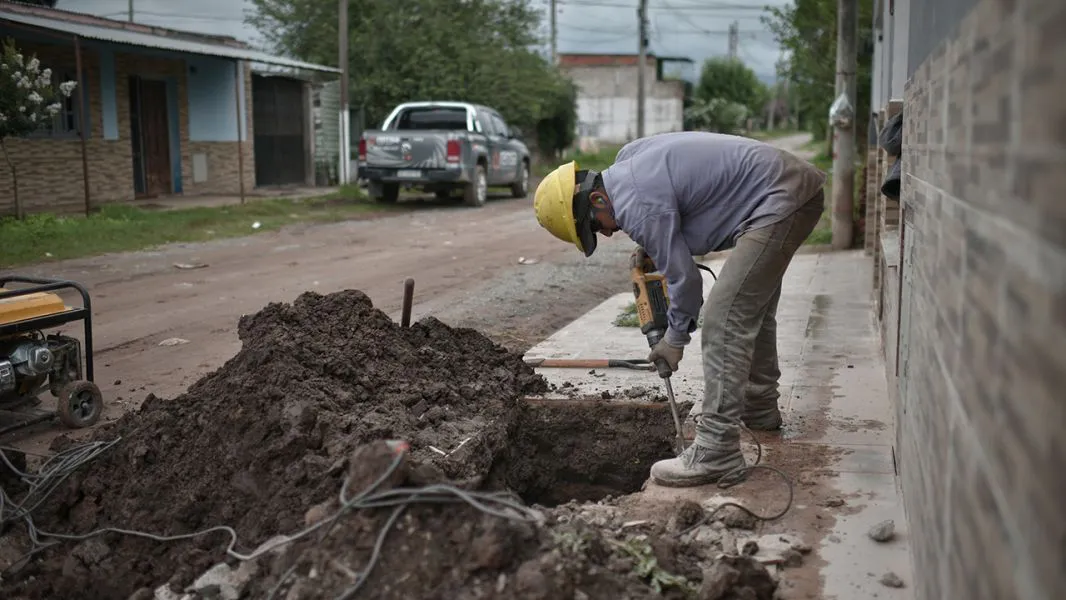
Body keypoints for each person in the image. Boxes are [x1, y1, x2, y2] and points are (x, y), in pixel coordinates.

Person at [532, 131, 826, 487]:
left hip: (779, 200)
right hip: (787, 187)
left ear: (597, 198)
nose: (607, 235)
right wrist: (661, 241)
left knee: (725, 316)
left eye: (595, 227)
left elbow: (686, 283)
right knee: (751, 308)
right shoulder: (628, 161)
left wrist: (674, 340)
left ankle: (717, 450)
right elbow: (685, 205)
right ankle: (759, 408)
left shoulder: (637, 205)